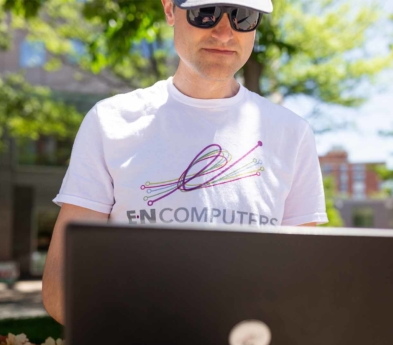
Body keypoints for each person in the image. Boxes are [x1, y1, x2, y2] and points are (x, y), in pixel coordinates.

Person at [42, 0, 329, 325]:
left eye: (242, 17)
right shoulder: (110, 121)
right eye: (205, 13)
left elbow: (304, 282)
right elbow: (60, 286)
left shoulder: (292, 133)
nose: (224, 33)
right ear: (169, 10)